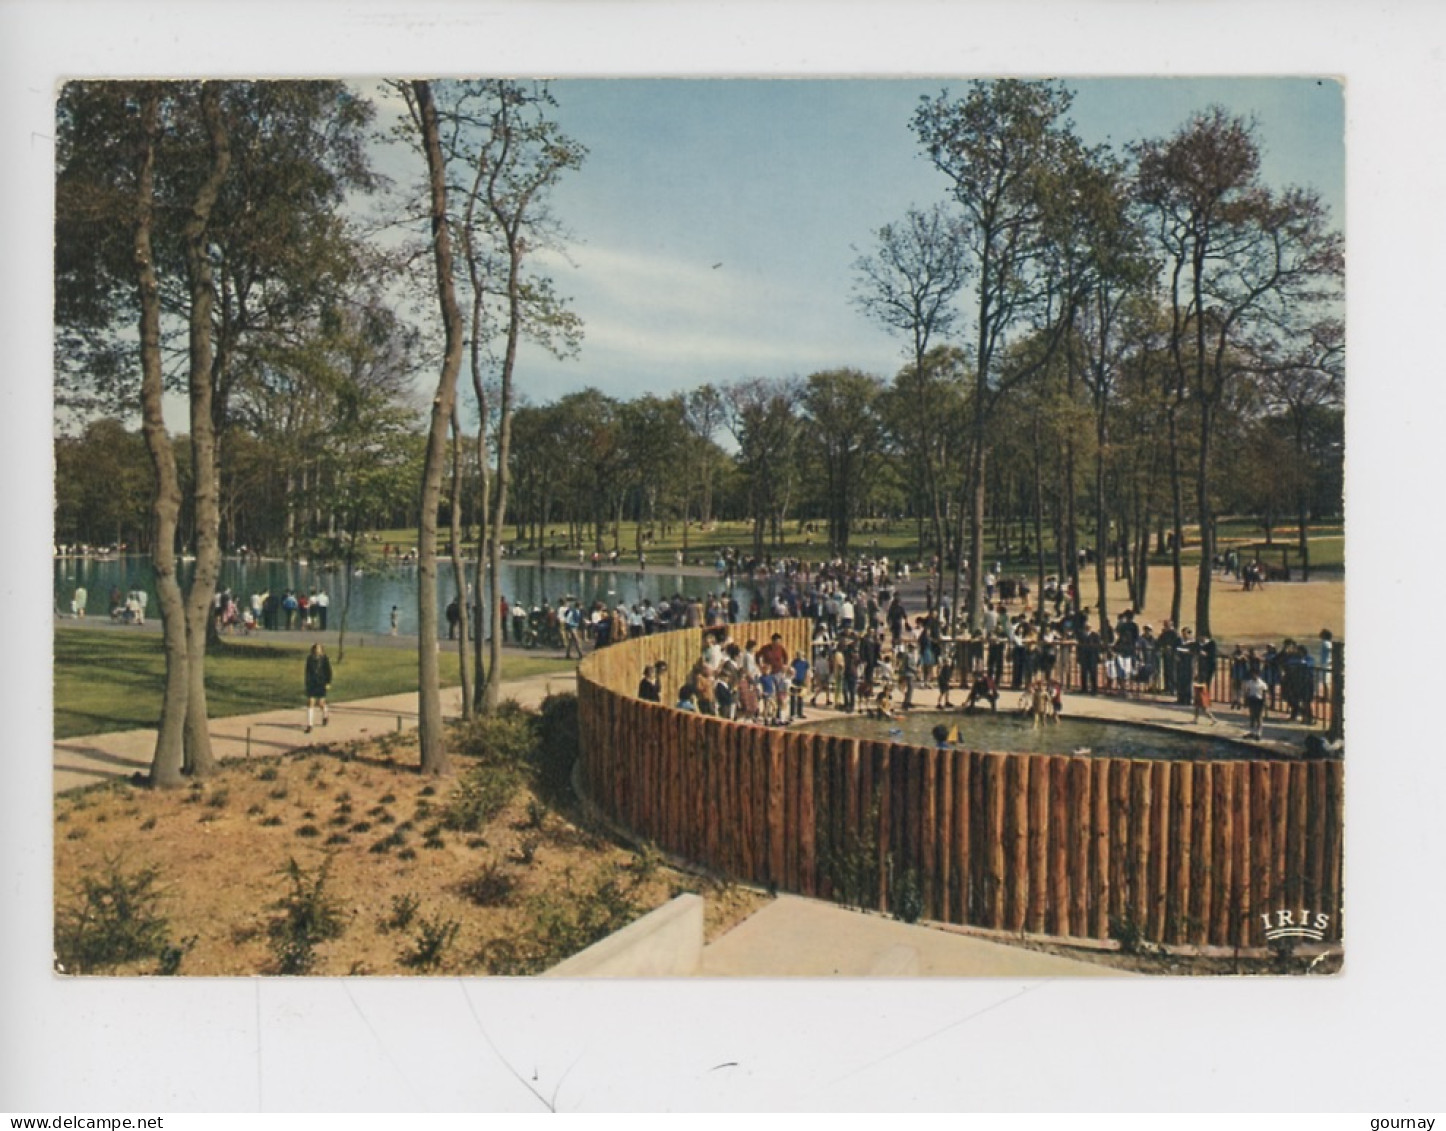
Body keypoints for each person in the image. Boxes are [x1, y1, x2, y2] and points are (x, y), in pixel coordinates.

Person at [304, 643, 332, 734]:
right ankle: (310, 724)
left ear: (321, 650)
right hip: (312, 683)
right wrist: (307, 683)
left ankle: (325, 715)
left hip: (321, 683)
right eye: (316, 648)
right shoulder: (309, 659)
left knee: (321, 703)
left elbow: (329, 671)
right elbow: (307, 672)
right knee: (310, 702)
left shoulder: (324, 659)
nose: (317, 650)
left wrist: (328, 682)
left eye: (319, 649)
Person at [1242, 666, 1267, 739]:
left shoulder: (1262, 684)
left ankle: (1258, 733)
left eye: (1255, 674)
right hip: (1252, 700)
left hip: (1259, 701)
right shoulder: (1249, 682)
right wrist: (1246, 701)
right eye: (1252, 674)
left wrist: (1264, 702)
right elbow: (1247, 692)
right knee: (1252, 716)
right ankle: (1252, 732)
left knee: (1259, 717)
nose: (1253, 675)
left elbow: (1264, 693)